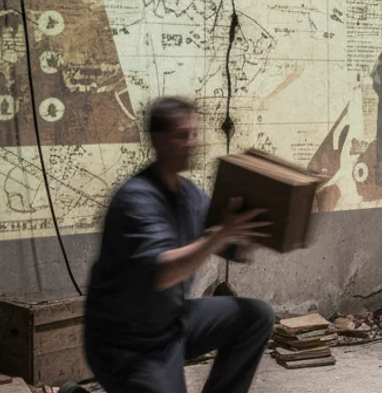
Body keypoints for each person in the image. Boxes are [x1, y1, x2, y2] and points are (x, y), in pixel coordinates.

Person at [84, 97, 275, 393]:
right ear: (158, 140)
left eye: (194, 134)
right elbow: (162, 273)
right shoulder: (136, 199)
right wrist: (220, 235)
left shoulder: (189, 194)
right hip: (126, 346)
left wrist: (255, 230)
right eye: (181, 135)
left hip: (171, 323)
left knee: (256, 316)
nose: (192, 143)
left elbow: (231, 248)